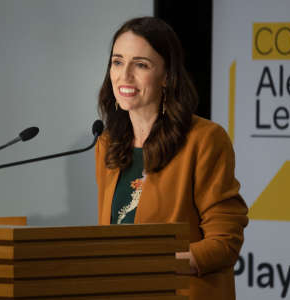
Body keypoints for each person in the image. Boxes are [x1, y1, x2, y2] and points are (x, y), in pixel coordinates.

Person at [95, 16, 248, 299]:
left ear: (166, 76)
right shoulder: (108, 143)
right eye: (117, 62)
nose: (124, 75)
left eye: (141, 65)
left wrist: (154, 266)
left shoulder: (204, 139)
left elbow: (225, 242)